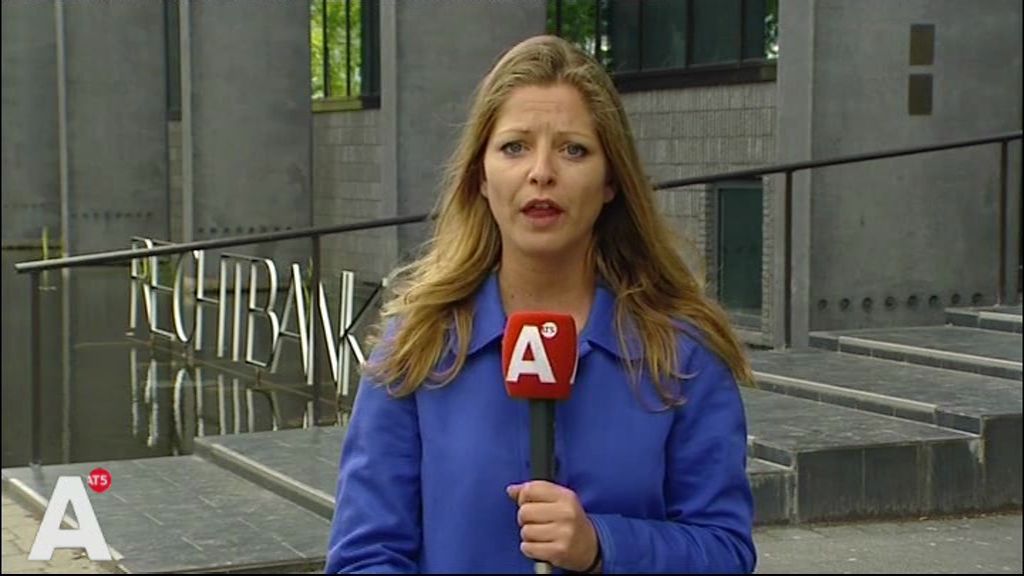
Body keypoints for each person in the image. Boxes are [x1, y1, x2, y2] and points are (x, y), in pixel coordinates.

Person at [325, 35, 757, 574]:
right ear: (481, 177)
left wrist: (602, 546)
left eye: (574, 149)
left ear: (611, 181)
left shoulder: (683, 354)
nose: (541, 172)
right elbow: (365, 555)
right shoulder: (417, 347)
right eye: (515, 147)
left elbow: (725, 551)